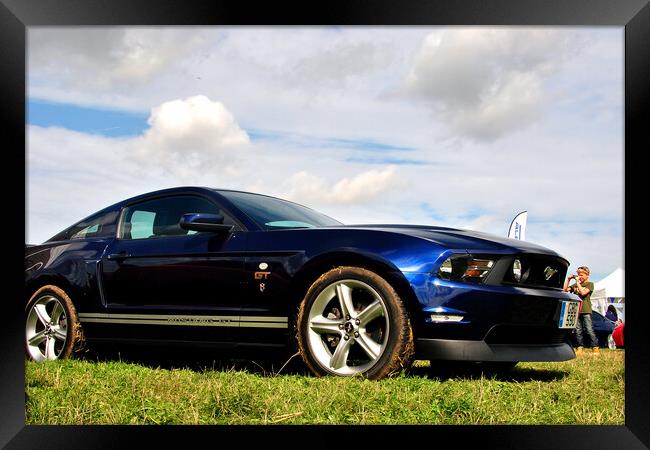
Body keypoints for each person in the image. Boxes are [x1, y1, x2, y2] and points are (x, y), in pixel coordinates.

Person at [563, 266, 598, 354]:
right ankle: (579, 347)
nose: (579, 276)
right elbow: (564, 290)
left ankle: (595, 347)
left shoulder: (590, 284)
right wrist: (568, 280)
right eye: (578, 275)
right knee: (578, 330)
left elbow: (583, 292)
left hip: (586, 310)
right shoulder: (575, 285)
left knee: (589, 329)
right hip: (576, 310)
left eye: (581, 275)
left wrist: (577, 283)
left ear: (587, 275)